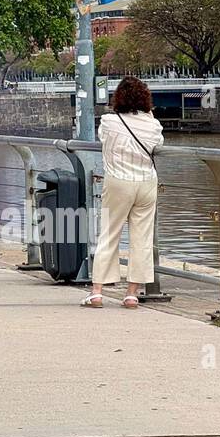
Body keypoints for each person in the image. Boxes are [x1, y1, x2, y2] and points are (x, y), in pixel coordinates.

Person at [83, 75, 164, 309]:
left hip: (118, 182)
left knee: (109, 234)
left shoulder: (109, 122)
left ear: (118, 98)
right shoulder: (153, 124)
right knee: (142, 239)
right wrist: (148, 114)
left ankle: (97, 292)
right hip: (146, 183)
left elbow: (102, 138)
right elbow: (157, 142)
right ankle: (131, 294)